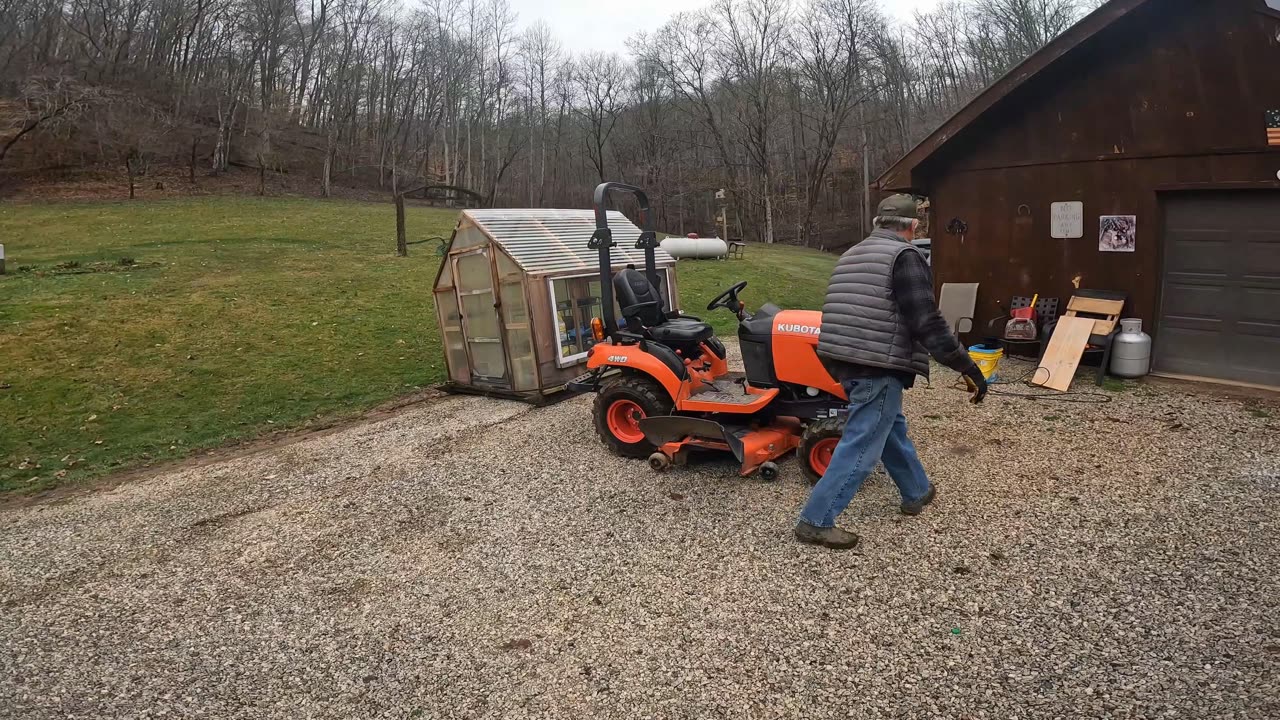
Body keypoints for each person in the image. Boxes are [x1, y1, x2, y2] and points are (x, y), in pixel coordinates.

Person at [794, 194, 988, 550]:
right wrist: (966, 366)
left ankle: (916, 490)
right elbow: (926, 321)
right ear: (913, 226)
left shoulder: (851, 254)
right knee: (863, 441)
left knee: (888, 424)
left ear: (878, 223)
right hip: (875, 363)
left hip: (843, 358)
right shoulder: (906, 256)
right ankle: (815, 521)